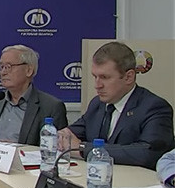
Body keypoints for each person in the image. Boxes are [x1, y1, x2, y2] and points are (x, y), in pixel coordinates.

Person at [58, 41, 174, 169]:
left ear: (129, 77)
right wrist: (61, 137)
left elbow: (147, 153)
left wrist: (83, 149)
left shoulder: (155, 107)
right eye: (95, 77)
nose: (97, 85)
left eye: (104, 77)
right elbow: (71, 134)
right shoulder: (97, 104)